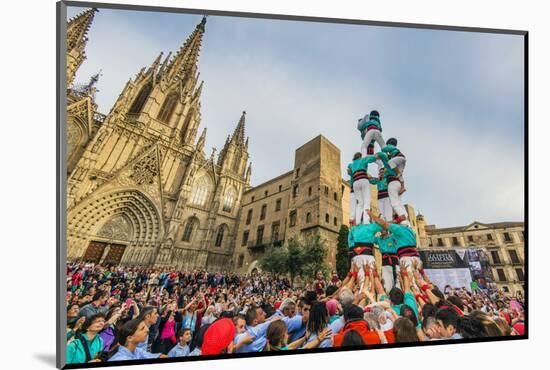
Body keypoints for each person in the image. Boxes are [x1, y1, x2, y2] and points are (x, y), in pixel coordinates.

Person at [375, 151, 409, 225]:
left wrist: (371, 158)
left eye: (382, 172)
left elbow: (381, 159)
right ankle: (403, 218)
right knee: (383, 214)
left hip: (387, 196)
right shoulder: (378, 180)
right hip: (380, 197)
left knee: (391, 210)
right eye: (379, 173)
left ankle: (403, 218)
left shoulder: (388, 173)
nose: (380, 173)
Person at [348, 221, 383, 288]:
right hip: (365, 255)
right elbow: (385, 225)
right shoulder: (371, 226)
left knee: (362, 279)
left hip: (358, 255)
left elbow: (350, 241)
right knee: (370, 278)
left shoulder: (354, 228)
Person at [348, 152, 377, 224]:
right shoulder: (363, 160)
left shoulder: (352, 164)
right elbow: (373, 158)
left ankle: (357, 222)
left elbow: (349, 169)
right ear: (360, 156)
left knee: (360, 203)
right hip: (363, 180)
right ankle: (366, 221)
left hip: (355, 183)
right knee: (366, 201)